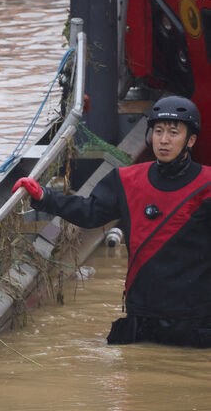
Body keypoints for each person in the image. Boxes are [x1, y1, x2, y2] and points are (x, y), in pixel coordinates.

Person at [13, 95, 210, 347]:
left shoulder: (207, 186)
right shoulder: (127, 180)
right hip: (143, 316)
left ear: (191, 140)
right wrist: (43, 197)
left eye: (173, 132)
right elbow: (90, 212)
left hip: (196, 321)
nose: (164, 140)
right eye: (158, 131)